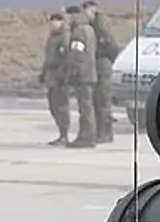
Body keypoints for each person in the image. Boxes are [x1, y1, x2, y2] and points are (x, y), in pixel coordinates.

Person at [82, 0, 117, 143]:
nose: (86, 14)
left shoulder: (102, 25)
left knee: (103, 101)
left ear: (93, 10)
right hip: (96, 67)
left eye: (88, 11)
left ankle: (106, 134)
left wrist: (106, 60)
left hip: (103, 66)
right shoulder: (92, 25)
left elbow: (112, 46)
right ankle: (100, 132)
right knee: (97, 101)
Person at [64, 5, 97, 148]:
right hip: (90, 73)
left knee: (85, 108)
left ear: (73, 16)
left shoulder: (78, 32)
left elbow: (77, 56)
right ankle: (88, 135)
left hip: (82, 76)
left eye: (68, 17)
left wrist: (73, 74)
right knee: (87, 107)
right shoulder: (89, 29)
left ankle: (86, 137)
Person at [40, 11, 71, 146]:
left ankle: (64, 135)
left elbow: (67, 59)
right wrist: (43, 74)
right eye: (51, 22)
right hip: (51, 76)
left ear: (62, 22)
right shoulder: (52, 37)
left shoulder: (65, 37)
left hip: (60, 77)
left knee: (61, 106)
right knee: (53, 106)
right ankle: (61, 133)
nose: (53, 24)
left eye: (56, 21)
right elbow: (48, 58)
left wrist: (63, 75)